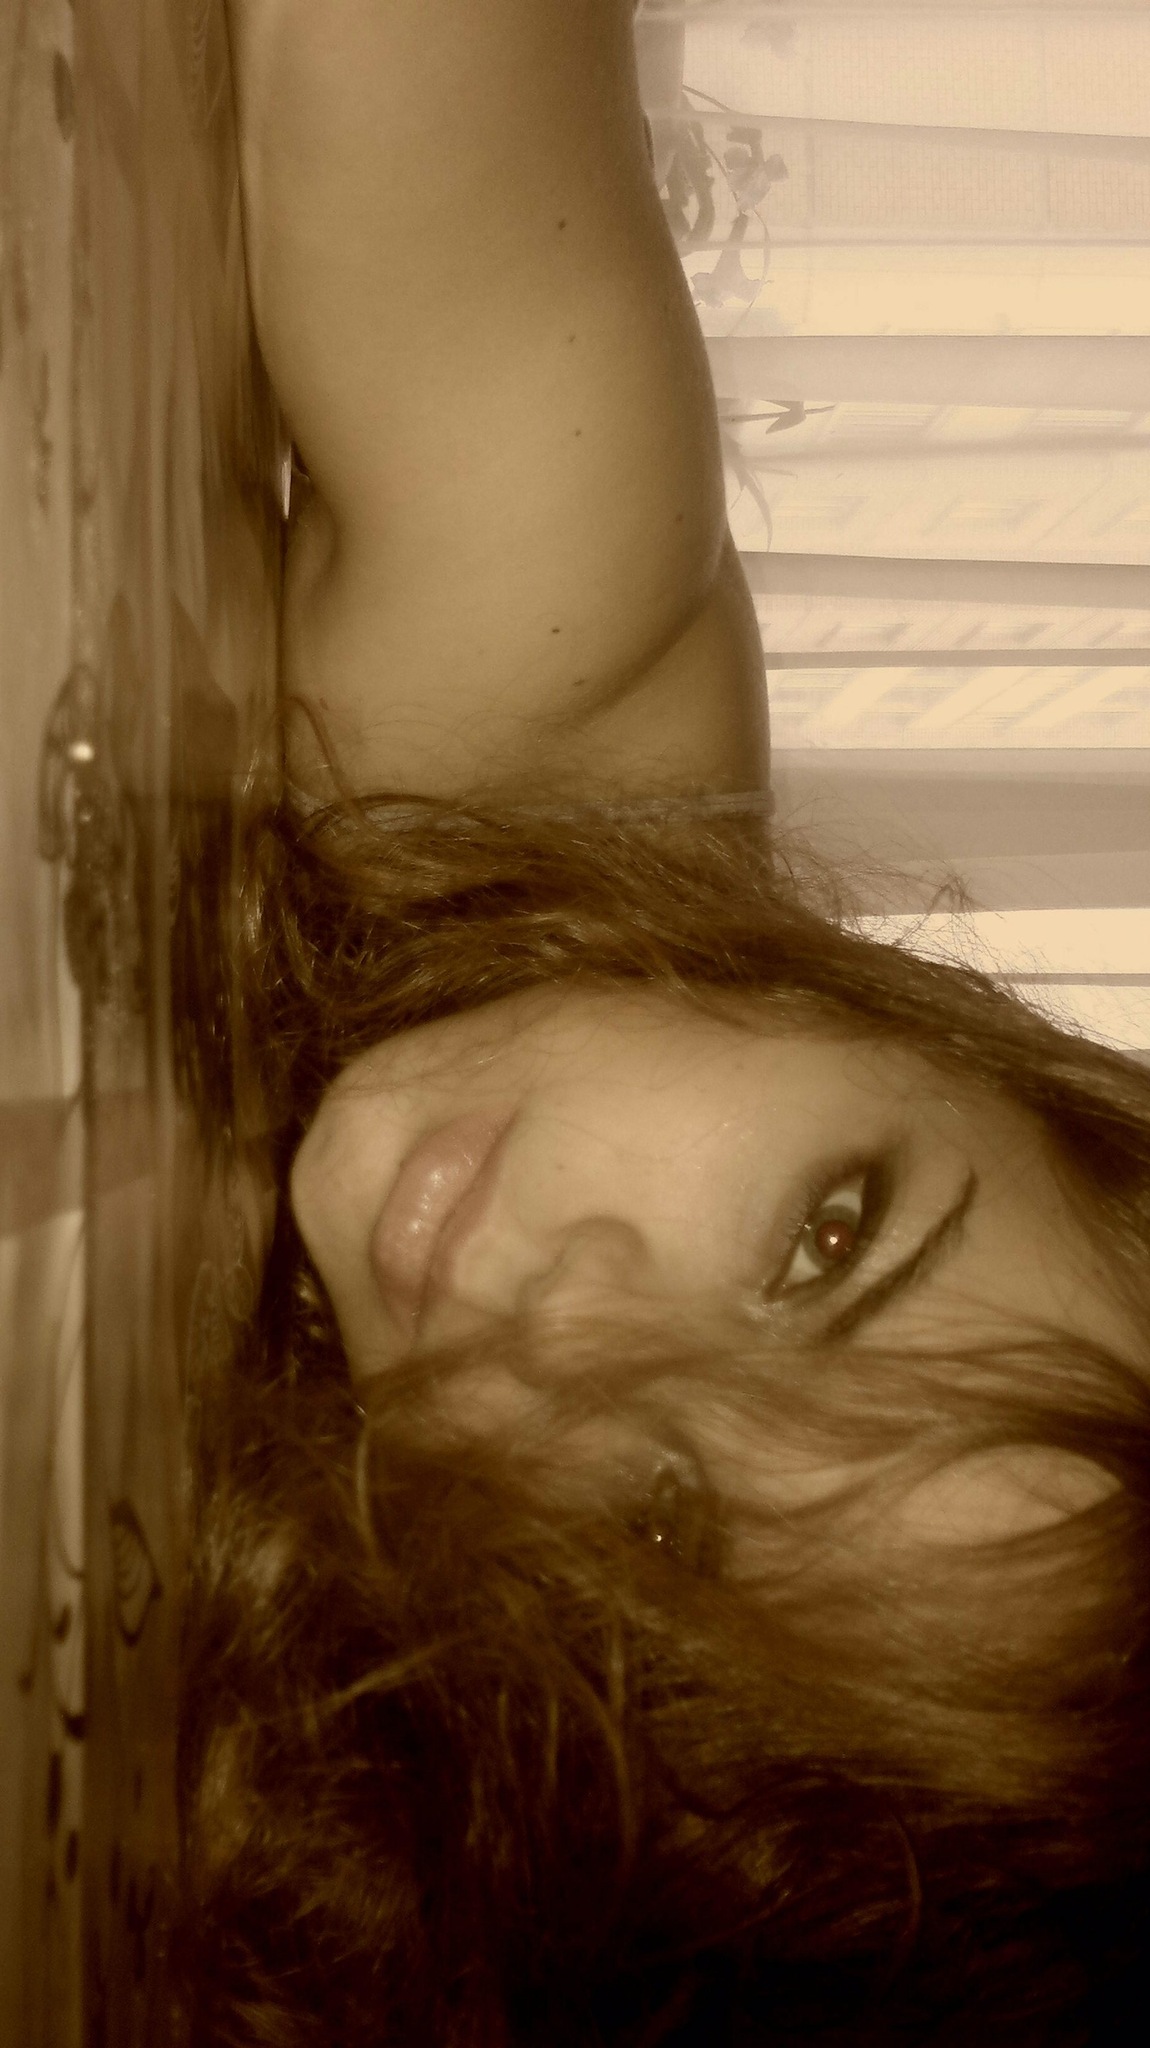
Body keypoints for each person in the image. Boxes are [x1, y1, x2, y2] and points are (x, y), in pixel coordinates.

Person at [179, 6, 1150, 2041]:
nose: (581, 1305)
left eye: (661, 1525)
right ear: (952, 1050)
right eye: (824, 1239)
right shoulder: (539, 728)